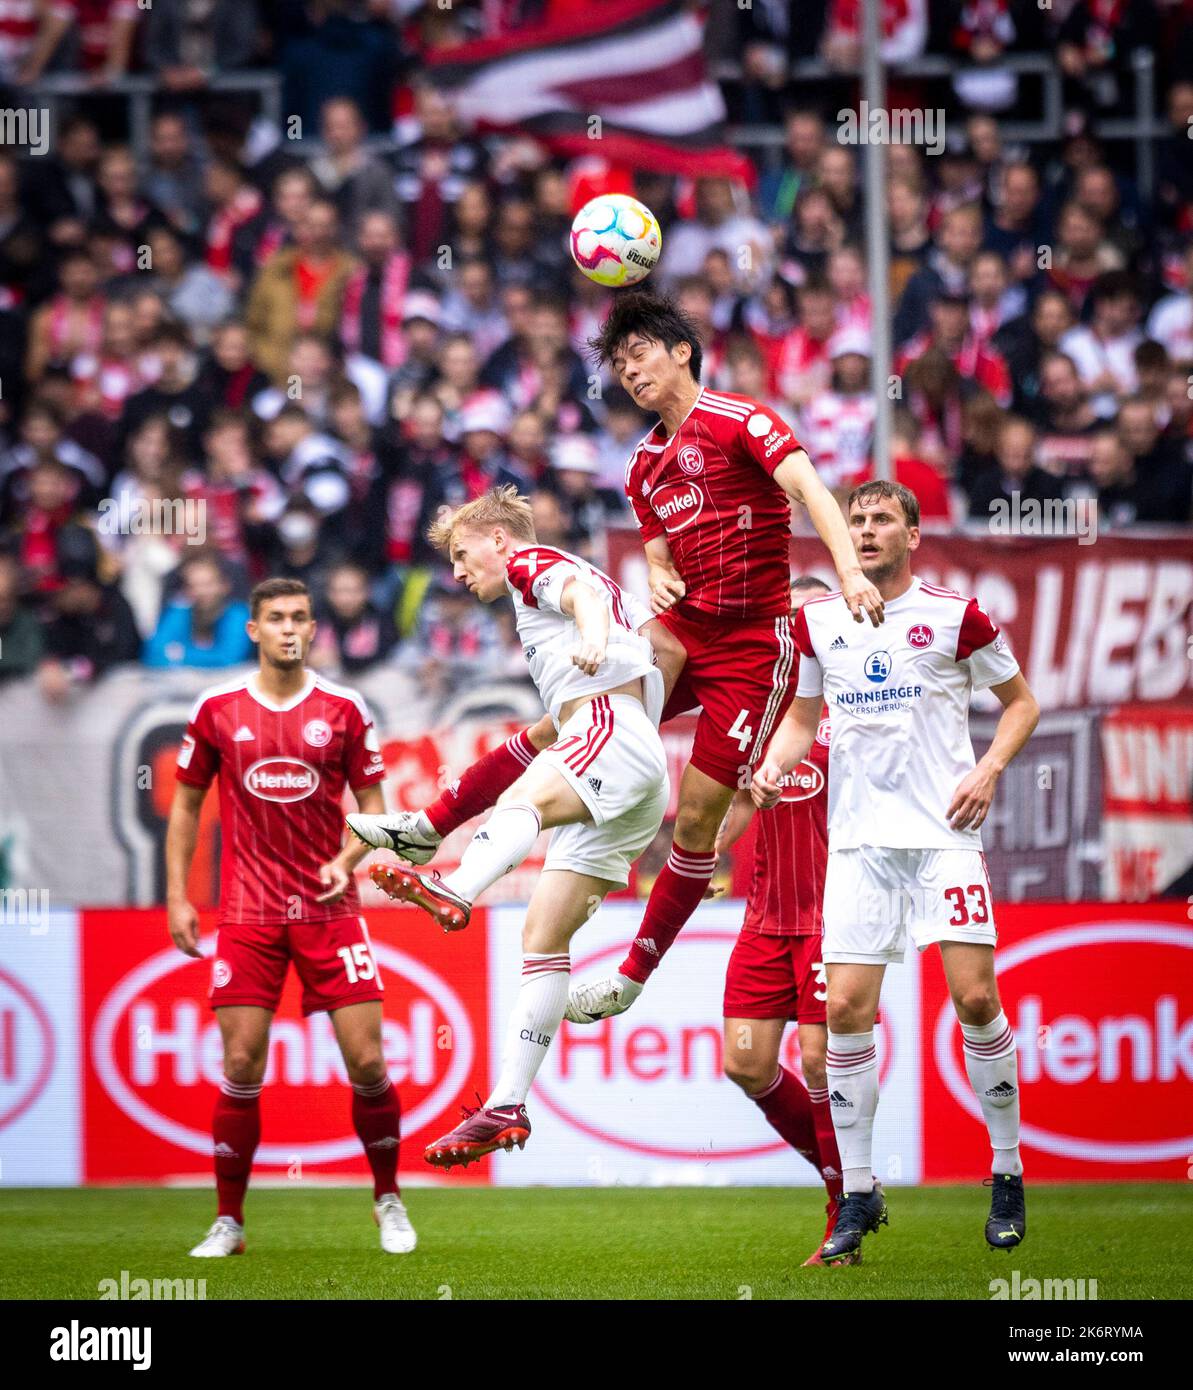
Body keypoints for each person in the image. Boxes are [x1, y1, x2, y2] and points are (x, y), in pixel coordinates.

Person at [349, 487, 682, 1167]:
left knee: (520, 809)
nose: (459, 573)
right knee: (542, 935)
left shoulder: (533, 567)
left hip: (608, 730)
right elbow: (535, 738)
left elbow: (582, 605)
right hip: (631, 763)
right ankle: (506, 1103)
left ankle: (457, 891)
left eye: (464, 555)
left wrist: (592, 639)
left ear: (499, 540)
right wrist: (435, 819)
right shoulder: (559, 634)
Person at [751, 480, 1039, 1263]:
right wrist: (772, 767)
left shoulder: (957, 615)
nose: (867, 530)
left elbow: (1021, 704)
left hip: (942, 838)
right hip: (859, 846)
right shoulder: (817, 623)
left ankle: (1006, 1170)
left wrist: (986, 772)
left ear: (912, 533)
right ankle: (858, 1191)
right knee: (844, 1011)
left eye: (882, 519)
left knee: (976, 997)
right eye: (856, 521)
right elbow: (802, 722)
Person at [166, 576, 415, 1258]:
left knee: (366, 1060)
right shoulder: (217, 708)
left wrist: (352, 856)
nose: (287, 628)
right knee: (241, 1061)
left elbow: (374, 808)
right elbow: (186, 806)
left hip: (330, 908)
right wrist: (178, 896)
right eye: (274, 618)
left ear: (312, 629)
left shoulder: (342, 707)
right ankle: (228, 1221)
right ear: (252, 629)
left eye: (298, 618)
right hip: (247, 912)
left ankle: (388, 1198)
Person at [711, 575, 847, 1267]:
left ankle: (841, 1210)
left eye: (799, 617)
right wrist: (706, 854)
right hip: (765, 915)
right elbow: (736, 799)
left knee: (822, 1059)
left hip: (834, 915)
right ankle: (849, 1180)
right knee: (745, 1063)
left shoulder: (853, 708)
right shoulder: (762, 712)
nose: (788, 631)